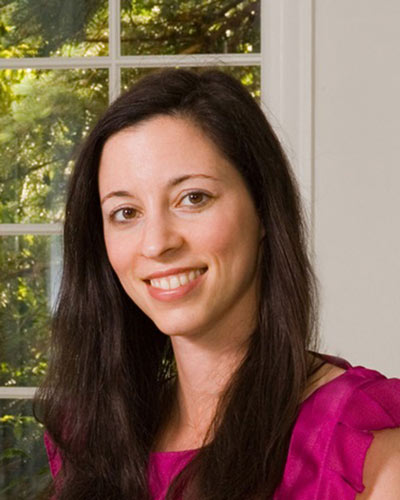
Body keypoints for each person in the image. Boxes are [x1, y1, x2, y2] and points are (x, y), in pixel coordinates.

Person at [35, 69, 400, 500]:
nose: (156, 244)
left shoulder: (365, 450)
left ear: (262, 208)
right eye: (126, 213)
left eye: (193, 198)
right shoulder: (93, 441)